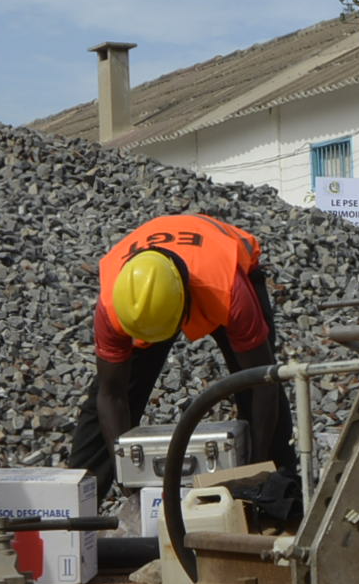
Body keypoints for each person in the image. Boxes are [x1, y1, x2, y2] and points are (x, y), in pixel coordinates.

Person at [71, 213, 293, 515]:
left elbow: (262, 385)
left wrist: (255, 468)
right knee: (106, 401)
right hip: (162, 291)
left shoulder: (228, 291)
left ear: (186, 302)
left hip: (221, 273)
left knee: (257, 381)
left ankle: (279, 500)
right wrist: (126, 470)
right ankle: (74, 513)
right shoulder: (115, 306)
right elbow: (112, 394)